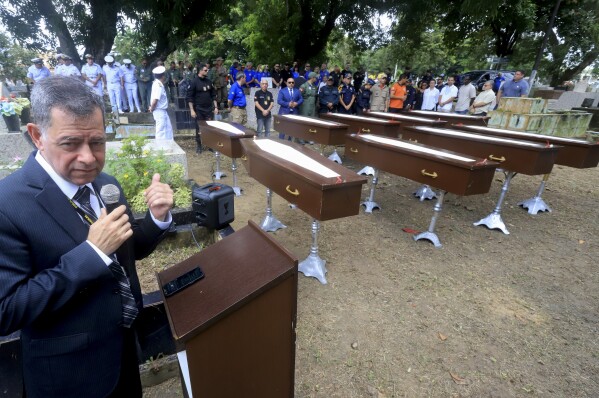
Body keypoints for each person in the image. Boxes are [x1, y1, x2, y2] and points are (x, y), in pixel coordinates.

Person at [0, 75, 173, 398]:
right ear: (37, 136)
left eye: (97, 142)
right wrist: (90, 254)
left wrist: (157, 218)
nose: (89, 158)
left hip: (122, 353)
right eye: (70, 144)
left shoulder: (105, 184)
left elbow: (125, 250)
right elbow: (6, 310)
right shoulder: (7, 205)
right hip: (68, 377)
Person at [187, 63, 218, 153]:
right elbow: (189, 97)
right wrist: (192, 110)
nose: (207, 71)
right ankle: (199, 145)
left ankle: (210, 145)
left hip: (208, 109)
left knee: (209, 128)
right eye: (205, 70)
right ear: (200, 71)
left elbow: (213, 95)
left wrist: (215, 107)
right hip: (199, 109)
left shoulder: (209, 81)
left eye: (207, 70)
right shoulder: (194, 82)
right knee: (199, 128)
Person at [149, 66, 173, 139]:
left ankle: (169, 146)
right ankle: (160, 148)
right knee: (161, 131)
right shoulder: (158, 85)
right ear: (163, 76)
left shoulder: (158, 83)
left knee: (168, 129)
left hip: (162, 110)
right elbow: (155, 100)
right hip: (159, 110)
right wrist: (152, 108)